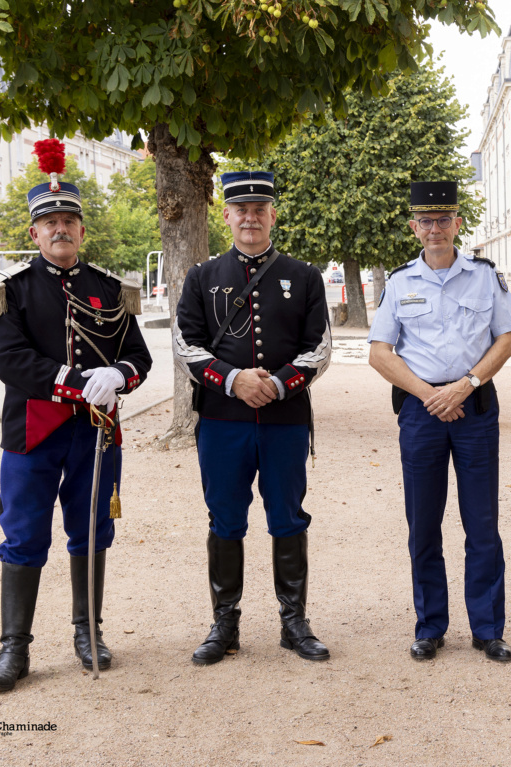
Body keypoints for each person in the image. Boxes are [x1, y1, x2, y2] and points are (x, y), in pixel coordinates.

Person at [0, 141, 151, 692]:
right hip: (32, 434)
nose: (60, 229)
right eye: (49, 222)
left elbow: (139, 357)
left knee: (92, 531)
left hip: (96, 435)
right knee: (24, 536)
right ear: (34, 234)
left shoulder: (108, 289)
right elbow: (13, 364)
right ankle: (14, 648)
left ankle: (87, 631)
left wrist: (120, 375)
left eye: (69, 220)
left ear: (81, 229)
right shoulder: (9, 291)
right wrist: (82, 383)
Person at [174, 170, 332, 664]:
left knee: (287, 517)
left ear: (272, 216)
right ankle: (225, 625)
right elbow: (185, 345)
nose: (250, 218)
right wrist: (233, 380)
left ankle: (293, 622)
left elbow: (321, 347)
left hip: (285, 421)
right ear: (226, 217)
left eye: (259, 209)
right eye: (241, 210)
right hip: (222, 421)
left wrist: (278, 384)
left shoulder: (305, 277)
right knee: (225, 519)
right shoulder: (202, 277)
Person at [368, 181, 511, 662]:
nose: (435, 229)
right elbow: (379, 353)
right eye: (426, 221)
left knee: (482, 523)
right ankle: (430, 625)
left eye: (444, 220)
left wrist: (466, 385)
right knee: (424, 524)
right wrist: (431, 395)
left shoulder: (484, 277)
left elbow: (506, 341)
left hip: (474, 406)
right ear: (414, 227)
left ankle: (488, 628)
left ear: (458, 224)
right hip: (421, 412)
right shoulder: (399, 282)